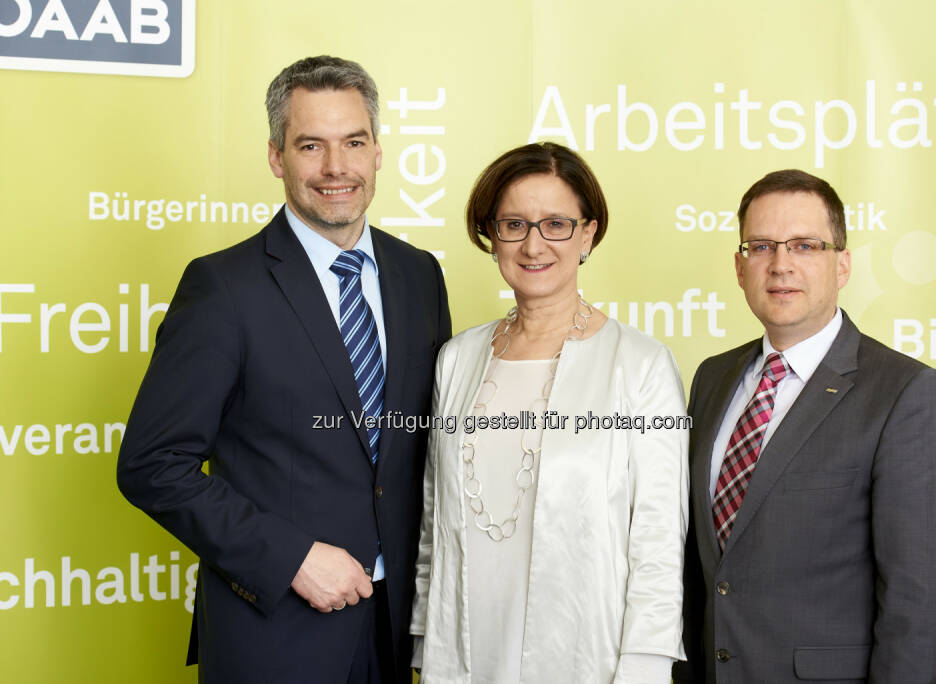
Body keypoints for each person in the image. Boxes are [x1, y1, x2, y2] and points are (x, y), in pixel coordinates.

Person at [117, 56, 451, 683]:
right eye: (310, 145)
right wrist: (292, 557)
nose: (336, 168)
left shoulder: (419, 275)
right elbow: (151, 464)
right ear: (276, 156)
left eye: (353, 142)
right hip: (274, 633)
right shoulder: (221, 288)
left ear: (377, 150)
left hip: (397, 630)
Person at [409, 142, 687, 684]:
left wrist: (646, 667)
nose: (534, 244)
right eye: (514, 224)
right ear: (492, 236)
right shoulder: (458, 359)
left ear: (588, 233)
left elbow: (657, 537)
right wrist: (424, 639)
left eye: (556, 223)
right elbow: (432, 518)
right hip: (463, 651)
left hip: (590, 655)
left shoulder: (641, 365)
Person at [677, 169, 936, 683]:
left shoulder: (907, 394)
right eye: (761, 246)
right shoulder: (712, 379)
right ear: (739, 267)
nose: (781, 265)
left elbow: (922, 606)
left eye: (806, 245)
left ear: (843, 264)